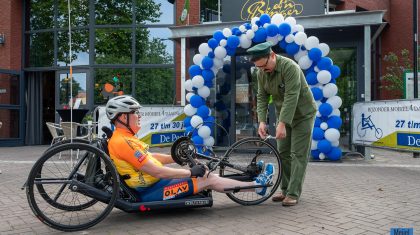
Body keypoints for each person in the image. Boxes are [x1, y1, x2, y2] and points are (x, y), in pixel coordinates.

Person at [105, 95, 275, 202]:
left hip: (155, 184)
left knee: (206, 172)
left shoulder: (126, 138)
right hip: (150, 191)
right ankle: (256, 186)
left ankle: (251, 180)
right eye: (135, 112)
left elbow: (151, 156)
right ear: (122, 117)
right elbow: (157, 171)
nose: (139, 116)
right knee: (208, 179)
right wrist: (190, 172)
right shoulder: (122, 142)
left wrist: (176, 158)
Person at [246, 42, 317, 206]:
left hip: (303, 115)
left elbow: (292, 96)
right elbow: (262, 96)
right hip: (284, 114)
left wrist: (282, 123)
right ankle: (285, 190)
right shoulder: (261, 72)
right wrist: (262, 121)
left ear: (272, 56)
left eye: (264, 66)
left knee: (298, 154)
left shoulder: (290, 67)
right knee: (283, 152)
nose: (263, 70)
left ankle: (293, 193)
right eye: (259, 68)